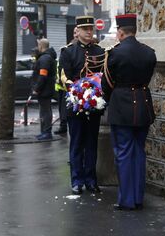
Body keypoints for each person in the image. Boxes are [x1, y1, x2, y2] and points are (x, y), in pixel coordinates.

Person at [102, 13, 157, 211]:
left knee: (123, 153)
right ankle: (138, 198)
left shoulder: (114, 53)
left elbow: (107, 84)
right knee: (139, 153)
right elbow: (147, 78)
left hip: (121, 107)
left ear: (120, 32)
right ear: (135, 30)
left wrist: (111, 99)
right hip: (143, 107)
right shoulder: (149, 52)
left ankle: (127, 200)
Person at [59, 16, 105, 195]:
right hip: (75, 105)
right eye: (84, 29)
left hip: (94, 105)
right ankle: (77, 180)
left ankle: (91, 180)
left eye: (90, 29)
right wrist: (78, 92)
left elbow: (103, 75)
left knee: (92, 143)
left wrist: (95, 93)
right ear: (76, 31)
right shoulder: (68, 52)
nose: (88, 32)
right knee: (77, 144)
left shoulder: (99, 51)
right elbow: (64, 77)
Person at [54, 27, 78, 135]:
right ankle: (63, 125)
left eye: (77, 32)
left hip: (75, 89)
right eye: (74, 32)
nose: (76, 34)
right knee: (64, 110)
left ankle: (64, 125)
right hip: (63, 86)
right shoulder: (67, 50)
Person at [31, 39, 57, 140]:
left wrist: (37, 88)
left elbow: (42, 76)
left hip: (44, 90)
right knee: (44, 111)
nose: (37, 48)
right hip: (46, 89)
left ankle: (46, 132)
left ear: (41, 46)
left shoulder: (44, 59)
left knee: (45, 112)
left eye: (38, 46)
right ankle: (44, 131)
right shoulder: (46, 57)